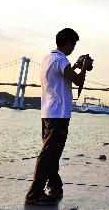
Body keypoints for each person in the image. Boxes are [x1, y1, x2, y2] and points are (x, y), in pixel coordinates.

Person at [25, 28, 92, 206]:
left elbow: (63, 74)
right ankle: (34, 193)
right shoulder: (61, 60)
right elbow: (77, 81)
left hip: (48, 112)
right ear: (68, 42)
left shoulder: (49, 58)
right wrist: (84, 68)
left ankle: (55, 185)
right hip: (59, 114)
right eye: (73, 44)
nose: (73, 48)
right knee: (49, 154)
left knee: (52, 153)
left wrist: (76, 66)